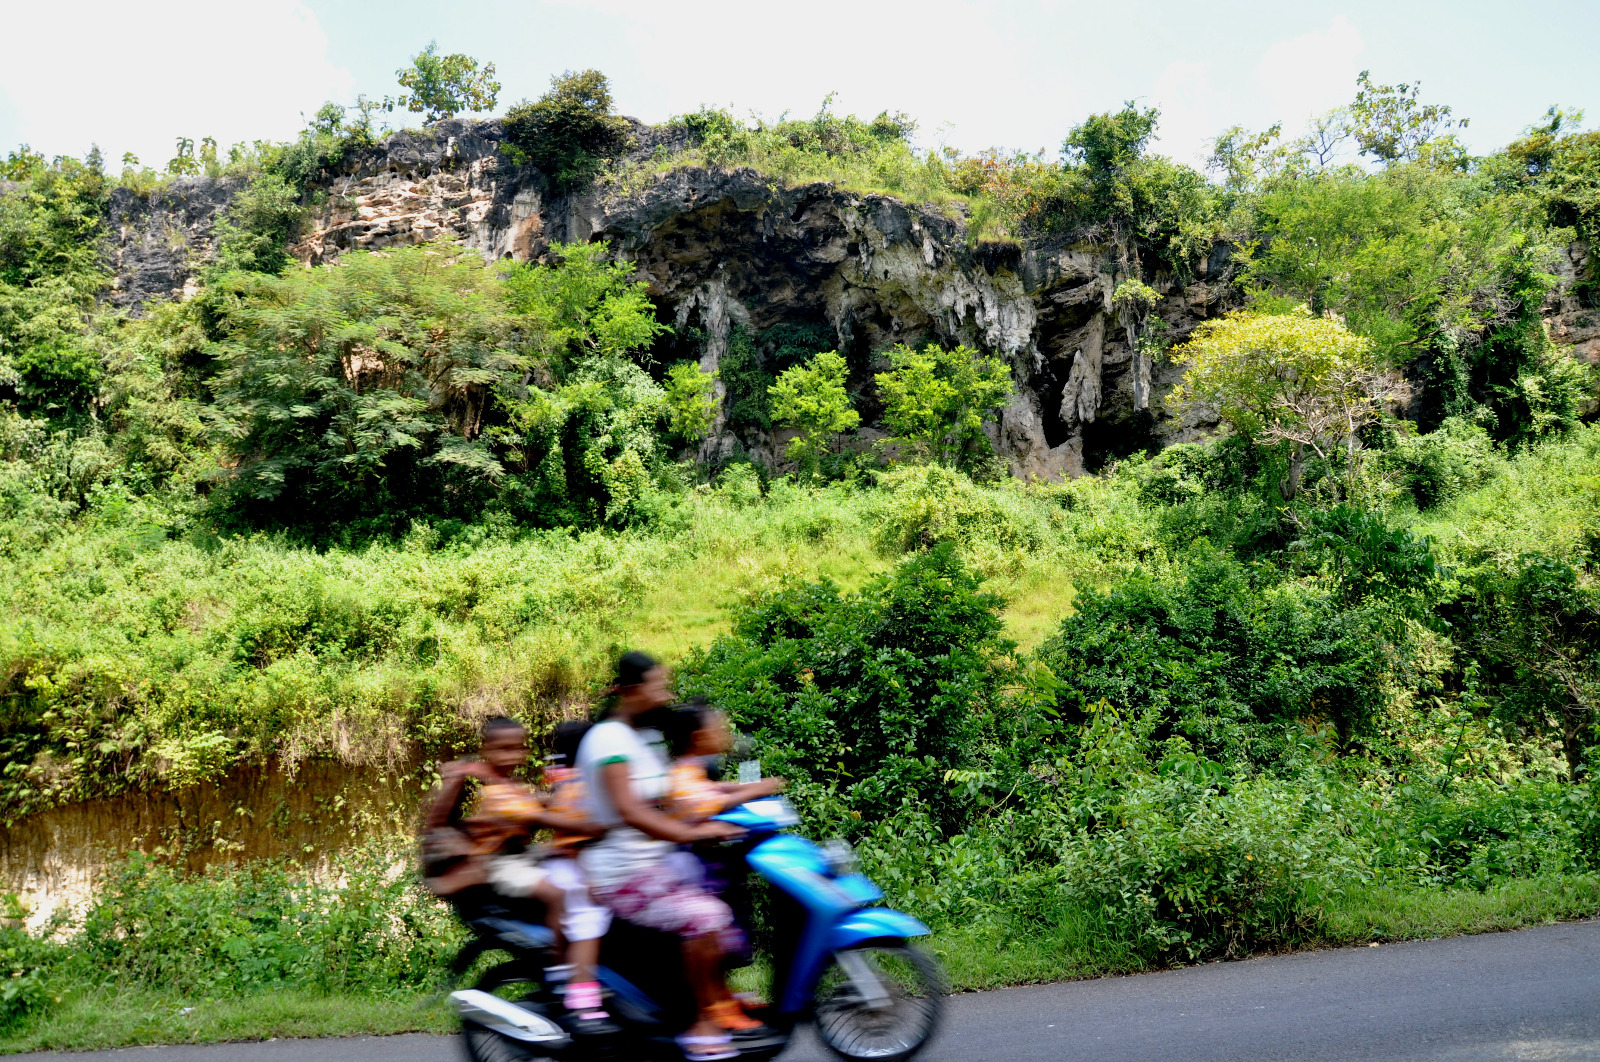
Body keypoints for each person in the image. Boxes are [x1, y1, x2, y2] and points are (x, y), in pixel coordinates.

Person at [576, 652, 755, 1060]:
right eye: (658, 686)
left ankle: (717, 999)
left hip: (650, 865)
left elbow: (674, 793)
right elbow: (631, 811)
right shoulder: (609, 741)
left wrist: (725, 805)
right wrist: (693, 830)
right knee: (708, 917)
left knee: (719, 893)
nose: (665, 694)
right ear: (633, 691)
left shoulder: (642, 738)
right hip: (622, 873)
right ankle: (702, 1027)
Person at [422, 716, 608, 1028]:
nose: (512, 756)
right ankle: (561, 970)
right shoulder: (497, 794)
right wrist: (591, 826)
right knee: (558, 892)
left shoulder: (513, 787)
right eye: (503, 749)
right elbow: (548, 818)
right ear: (487, 750)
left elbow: (546, 805)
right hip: (500, 864)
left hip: (521, 856)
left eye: (518, 748)